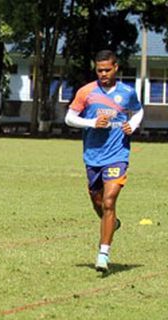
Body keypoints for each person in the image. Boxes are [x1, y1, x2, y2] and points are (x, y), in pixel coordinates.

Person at [65, 49, 143, 272]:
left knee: (109, 201)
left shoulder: (127, 93)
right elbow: (70, 118)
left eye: (107, 69)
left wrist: (133, 125)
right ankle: (112, 223)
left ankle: (103, 254)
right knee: (98, 202)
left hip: (118, 154)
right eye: (100, 70)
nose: (103, 73)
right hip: (93, 156)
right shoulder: (86, 92)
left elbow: (137, 112)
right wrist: (91, 124)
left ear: (116, 67)